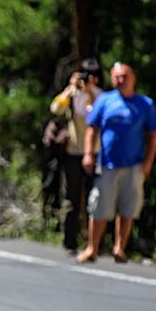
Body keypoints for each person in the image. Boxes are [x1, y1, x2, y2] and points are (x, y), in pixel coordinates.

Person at [77, 62, 156, 264]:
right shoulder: (105, 101)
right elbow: (92, 129)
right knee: (99, 206)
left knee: (128, 208)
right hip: (107, 163)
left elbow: (153, 135)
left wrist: (148, 162)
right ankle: (92, 248)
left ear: (133, 78)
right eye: (117, 76)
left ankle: (120, 247)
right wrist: (89, 153)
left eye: (124, 76)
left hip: (133, 164)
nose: (120, 80)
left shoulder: (145, 104)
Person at [50, 59, 102, 254]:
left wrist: (89, 93)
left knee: (94, 199)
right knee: (71, 199)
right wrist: (69, 89)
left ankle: (92, 243)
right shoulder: (73, 95)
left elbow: (100, 116)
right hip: (73, 152)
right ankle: (69, 241)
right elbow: (56, 109)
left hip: (95, 153)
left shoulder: (100, 96)